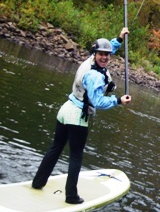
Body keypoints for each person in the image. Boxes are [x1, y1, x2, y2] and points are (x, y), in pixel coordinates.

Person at [32, 28, 132, 205]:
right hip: (78, 117)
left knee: (55, 148)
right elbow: (97, 102)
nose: (105, 57)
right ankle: (71, 196)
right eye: (102, 54)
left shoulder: (89, 61)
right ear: (95, 54)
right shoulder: (94, 76)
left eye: (107, 55)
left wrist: (119, 38)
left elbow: (108, 49)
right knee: (76, 156)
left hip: (65, 110)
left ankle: (38, 182)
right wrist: (118, 100)